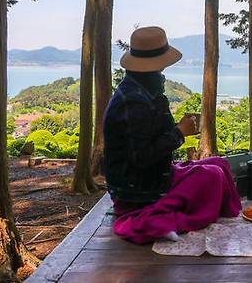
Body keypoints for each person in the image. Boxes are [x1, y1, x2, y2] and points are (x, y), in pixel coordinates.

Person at [103, 26, 241, 244]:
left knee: (220, 164)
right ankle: (157, 220)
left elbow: (151, 134)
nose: (162, 72)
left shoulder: (144, 90)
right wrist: (179, 132)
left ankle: (178, 210)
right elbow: (141, 157)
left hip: (154, 176)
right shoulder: (133, 101)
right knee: (213, 175)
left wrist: (177, 126)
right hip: (138, 190)